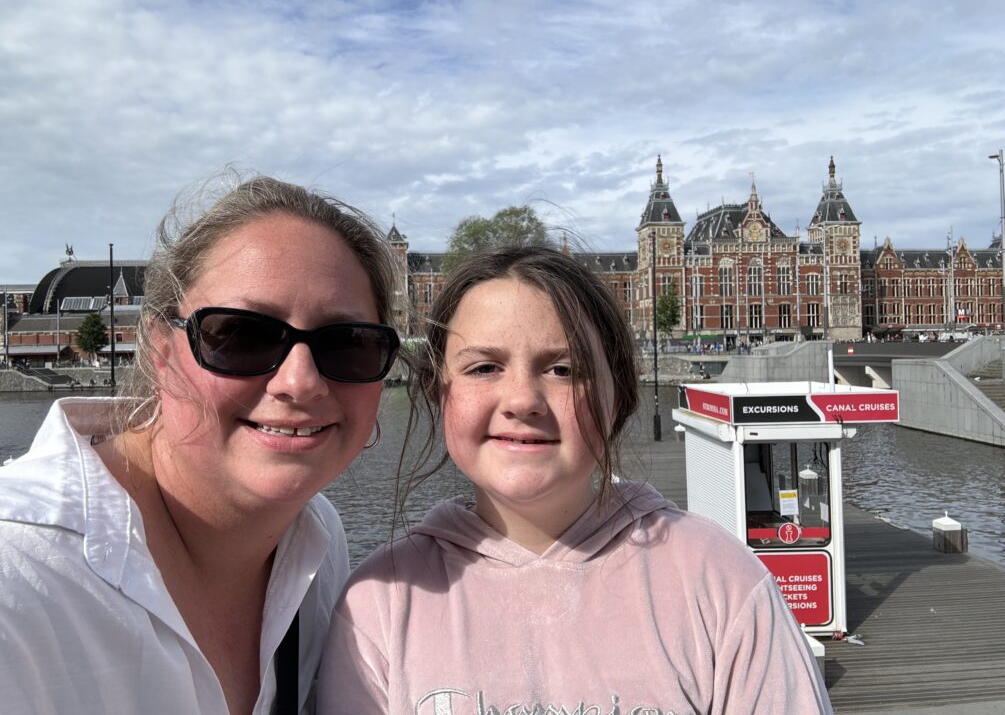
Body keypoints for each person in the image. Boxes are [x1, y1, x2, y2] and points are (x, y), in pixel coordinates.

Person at [318, 246, 832, 714]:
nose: (522, 400)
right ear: (438, 391)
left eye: (563, 369)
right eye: (483, 368)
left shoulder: (717, 580)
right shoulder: (380, 603)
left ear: (618, 395)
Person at [0, 175, 401, 714]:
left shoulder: (317, 539)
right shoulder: (21, 578)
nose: (299, 382)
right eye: (240, 334)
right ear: (161, 351)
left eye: (349, 343)